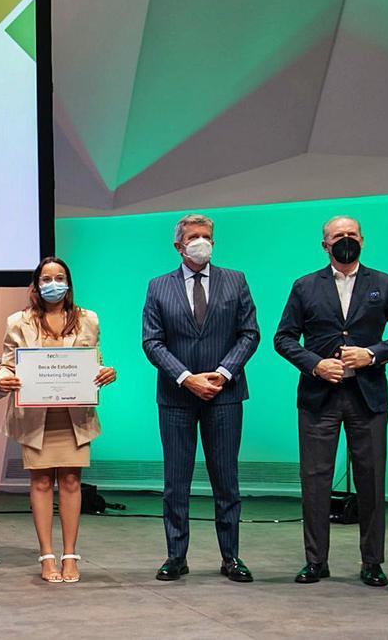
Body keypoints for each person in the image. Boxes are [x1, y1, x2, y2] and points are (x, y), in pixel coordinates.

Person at [273, 216, 388, 587]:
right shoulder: (304, 286)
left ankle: (372, 562)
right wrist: (315, 364)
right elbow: (284, 338)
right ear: (325, 244)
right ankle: (315, 561)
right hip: (318, 398)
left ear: (363, 241)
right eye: (338, 235)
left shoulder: (383, 284)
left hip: (367, 398)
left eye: (352, 234)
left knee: (371, 481)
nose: (346, 240)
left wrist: (372, 354)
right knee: (315, 481)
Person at [141, 214, 260, 582]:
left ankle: (231, 558)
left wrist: (223, 373)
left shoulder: (235, 280)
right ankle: (176, 556)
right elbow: (152, 341)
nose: (201, 242)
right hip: (177, 398)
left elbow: (249, 333)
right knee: (176, 482)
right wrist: (186, 378)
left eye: (206, 236)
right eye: (193, 237)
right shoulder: (159, 286)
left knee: (226, 480)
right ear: (178, 245)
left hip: (224, 396)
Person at [0, 257, 116, 583]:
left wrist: (106, 372)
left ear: (68, 283)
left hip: (74, 416)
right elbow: (8, 364)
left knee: (72, 482)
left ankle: (70, 555)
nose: (53, 284)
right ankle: (47, 556)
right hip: (35, 416)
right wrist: (2, 380)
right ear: (36, 285)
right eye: (46, 278)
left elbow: (95, 360)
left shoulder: (88, 319)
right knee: (41, 482)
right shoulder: (18, 321)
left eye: (59, 277)